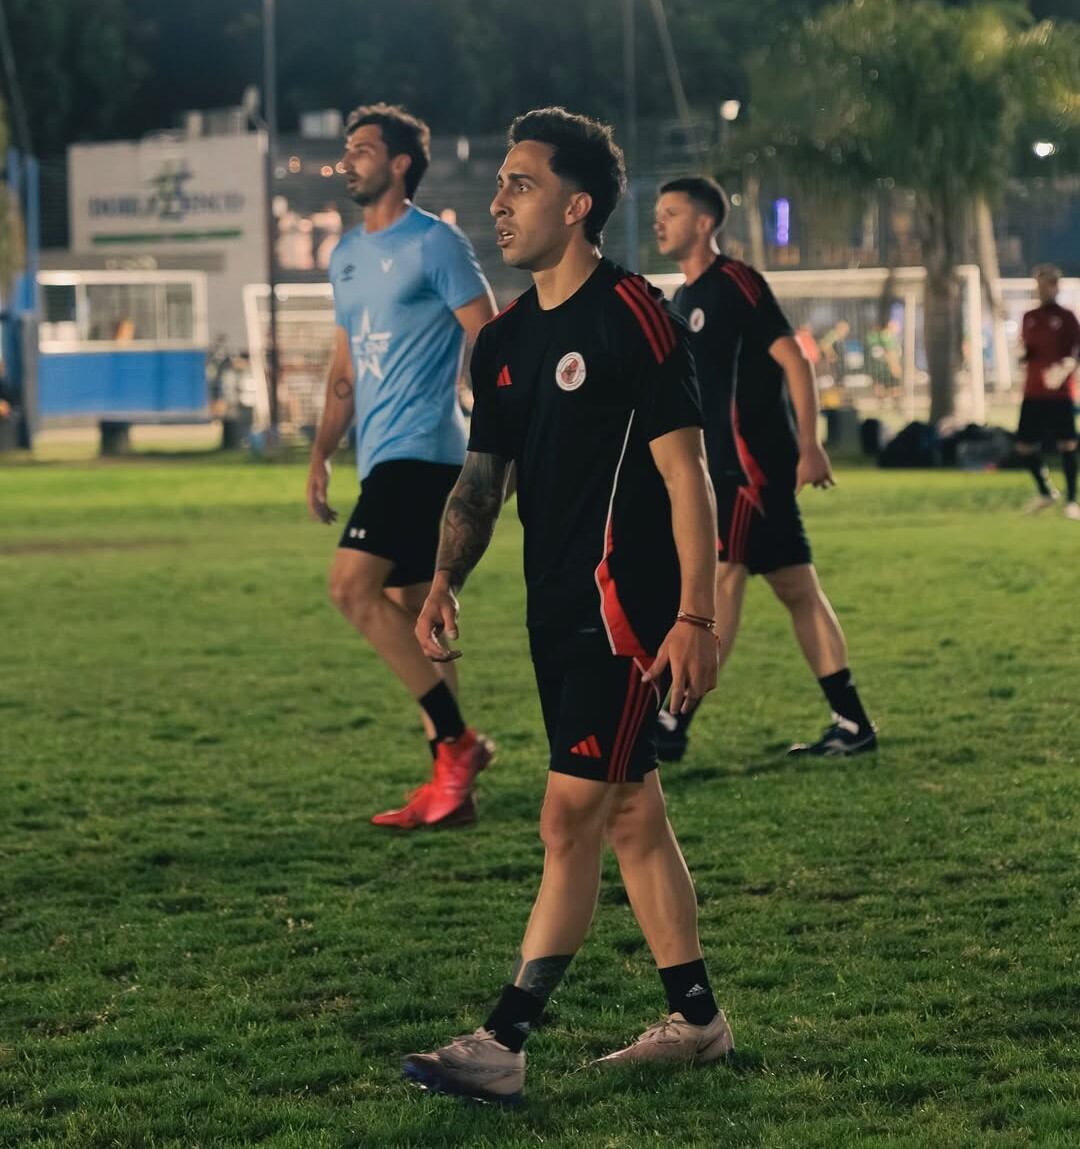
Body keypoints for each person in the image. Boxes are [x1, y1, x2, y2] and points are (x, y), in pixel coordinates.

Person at [403, 107, 731, 1105]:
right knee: (631, 813)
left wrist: (697, 616)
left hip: (626, 615)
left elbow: (689, 477)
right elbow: (480, 482)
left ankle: (504, 1040)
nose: (497, 202)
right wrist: (444, 580)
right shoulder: (501, 343)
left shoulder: (631, 314)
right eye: (499, 183)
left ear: (577, 205)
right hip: (552, 612)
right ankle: (698, 1022)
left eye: (520, 184)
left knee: (569, 816)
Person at [306, 103, 498, 829]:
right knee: (424, 614)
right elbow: (347, 363)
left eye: (361, 149)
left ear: (399, 164)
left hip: (427, 450)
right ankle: (454, 796)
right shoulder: (345, 256)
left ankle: (457, 743)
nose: (347, 160)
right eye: (346, 149)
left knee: (351, 587)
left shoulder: (435, 245)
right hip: (381, 453)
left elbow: (487, 334)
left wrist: (501, 425)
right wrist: (323, 450)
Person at [652, 175, 876, 759]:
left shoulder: (736, 282)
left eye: (671, 212)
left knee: (721, 578)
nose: (659, 222)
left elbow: (795, 362)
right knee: (798, 589)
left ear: (704, 223)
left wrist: (811, 445)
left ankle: (672, 724)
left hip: (747, 471)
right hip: (723, 470)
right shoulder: (683, 300)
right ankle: (853, 724)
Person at [1015, 264, 1080, 519]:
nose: (1043, 289)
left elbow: (1076, 349)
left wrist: (1067, 366)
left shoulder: (1066, 317)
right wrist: (1021, 355)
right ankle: (1045, 492)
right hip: (1033, 391)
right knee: (1023, 447)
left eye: (1048, 284)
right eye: (1040, 284)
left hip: (1060, 392)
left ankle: (1072, 501)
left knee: (1067, 443)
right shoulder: (1029, 317)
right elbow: (1026, 350)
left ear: (1056, 286)